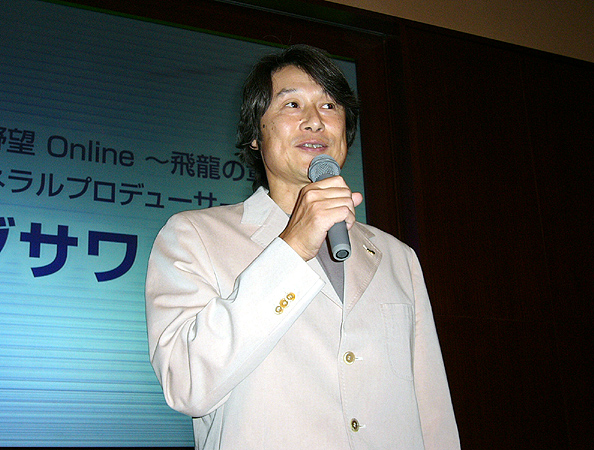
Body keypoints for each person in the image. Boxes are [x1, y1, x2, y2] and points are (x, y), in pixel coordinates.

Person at [145, 44, 460, 449]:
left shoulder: (398, 257)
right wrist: (291, 247)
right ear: (256, 135)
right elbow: (186, 384)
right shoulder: (194, 236)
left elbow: (433, 414)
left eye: (329, 106)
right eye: (292, 104)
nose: (314, 121)